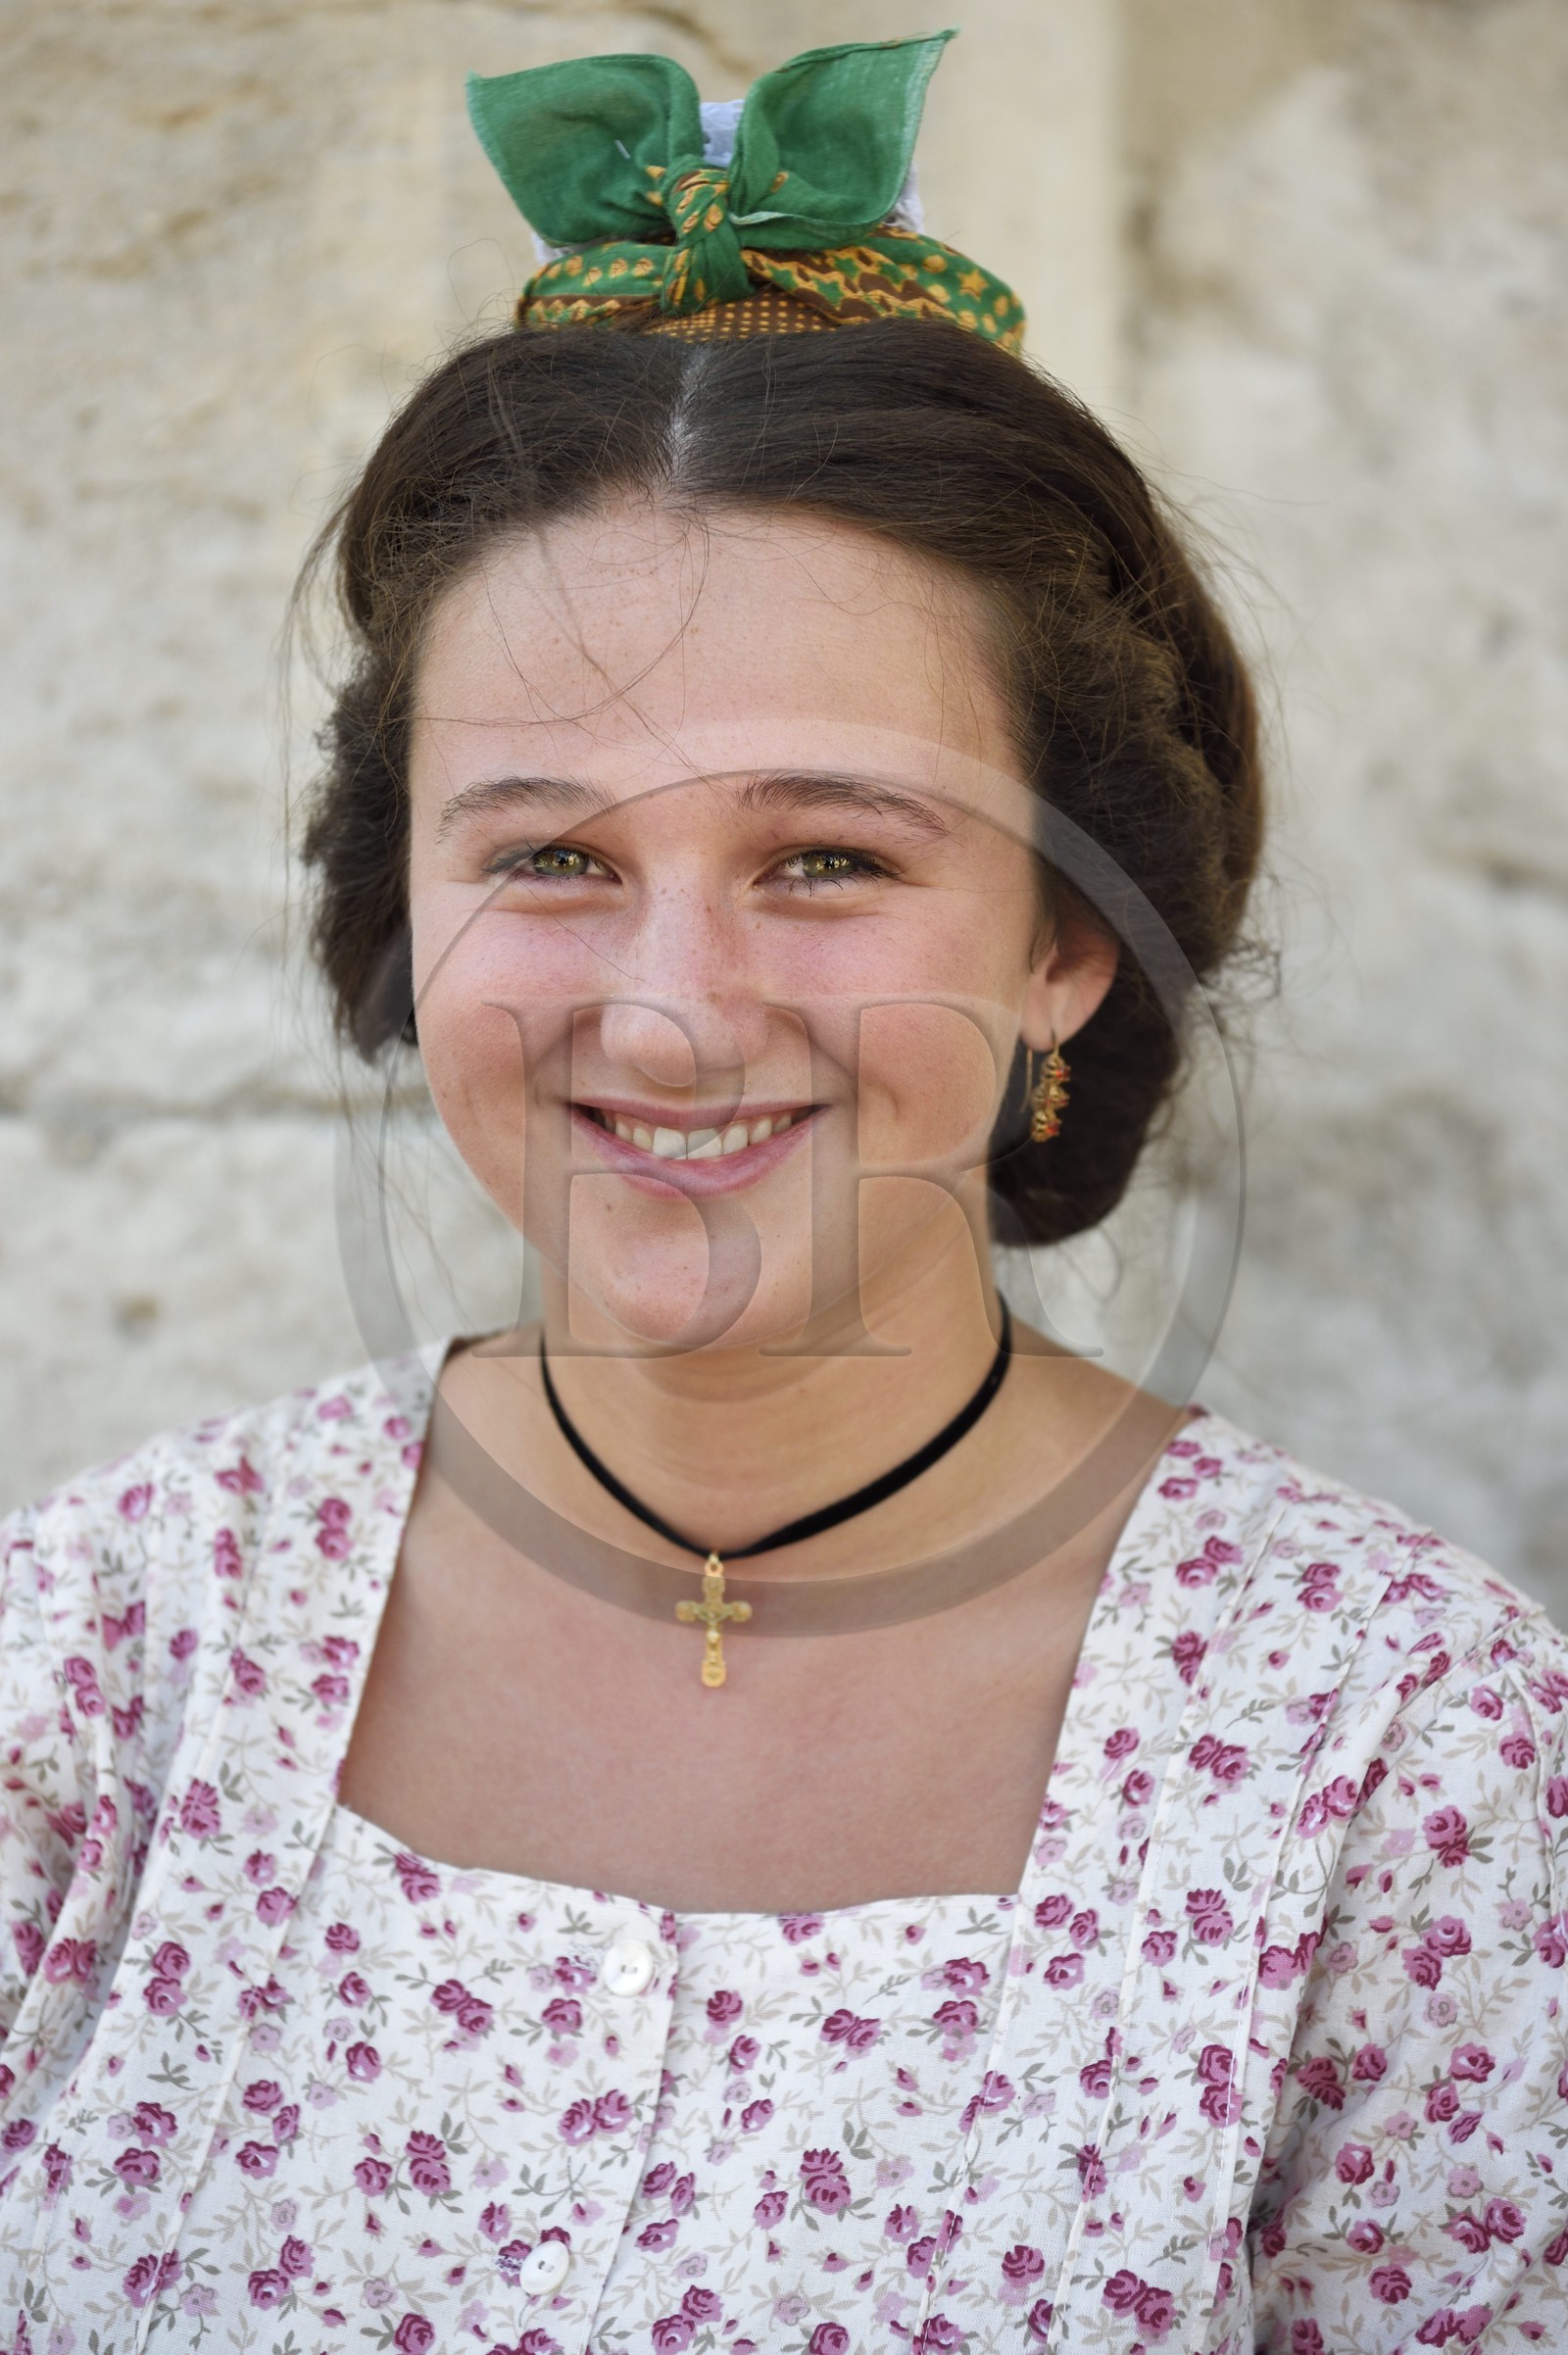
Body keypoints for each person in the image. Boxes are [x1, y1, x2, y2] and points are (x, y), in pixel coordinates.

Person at [2, 33, 1564, 2355]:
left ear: (1061, 936)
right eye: (549, 855)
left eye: (826, 856)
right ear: (397, 905)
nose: (668, 1007)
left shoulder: (1412, 1760)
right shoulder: (100, 1661)